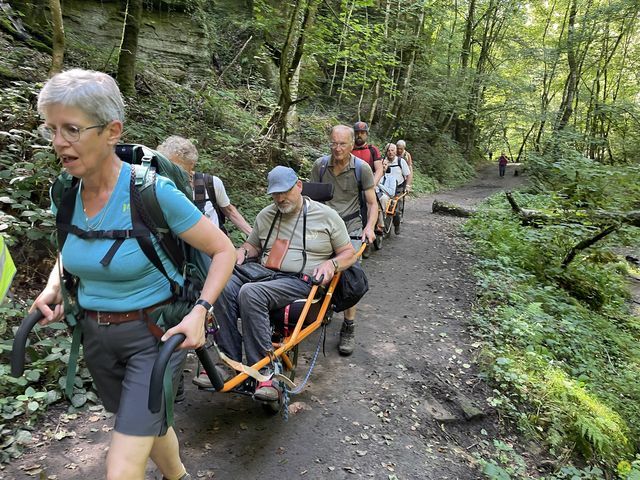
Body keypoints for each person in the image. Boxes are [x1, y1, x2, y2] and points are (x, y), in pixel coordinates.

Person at [30, 69, 236, 480]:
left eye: (71, 129)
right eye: (51, 129)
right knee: (146, 426)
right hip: (97, 339)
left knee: (122, 468)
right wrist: (54, 286)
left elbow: (223, 250)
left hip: (154, 337)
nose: (58, 142)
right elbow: (69, 251)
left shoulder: (152, 192)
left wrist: (199, 311)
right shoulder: (65, 193)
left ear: (112, 131)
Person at [204, 166, 357, 400]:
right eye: (275, 194)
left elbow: (348, 253)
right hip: (263, 274)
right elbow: (252, 246)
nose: (280, 198)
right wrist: (242, 251)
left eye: (285, 192)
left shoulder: (326, 216)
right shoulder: (266, 215)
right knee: (222, 285)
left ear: (298, 186)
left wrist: (331, 265)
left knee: (250, 293)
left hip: (301, 281)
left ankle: (265, 372)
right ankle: (228, 362)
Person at [310, 125, 378, 356]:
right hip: (322, 226)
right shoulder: (320, 165)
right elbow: (310, 199)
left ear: (352, 145)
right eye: (333, 143)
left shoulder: (362, 169)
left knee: (349, 271)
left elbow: (371, 203)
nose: (337, 149)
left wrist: (369, 227)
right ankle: (320, 307)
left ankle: (348, 324)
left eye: (342, 144)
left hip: (350, 227)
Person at [156, 136, 252, 237]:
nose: (171, 170)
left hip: (215, 245)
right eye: (167, 165)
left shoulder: (210, 183)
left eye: (177, 167)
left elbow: (229, 210)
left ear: (191, 164)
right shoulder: (161, 186)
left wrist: (252, 236)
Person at [384, 143, 412, 235]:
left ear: (395, 152)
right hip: (386, 188)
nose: (390, 152)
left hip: (398, 188)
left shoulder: (401, 161)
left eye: (392, 150)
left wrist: (407, 186)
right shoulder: (383, 161)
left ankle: (396, 224)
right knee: (384, 207)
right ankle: (384, 228)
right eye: (388, 150)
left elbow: (408, 175)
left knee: (396, 210)